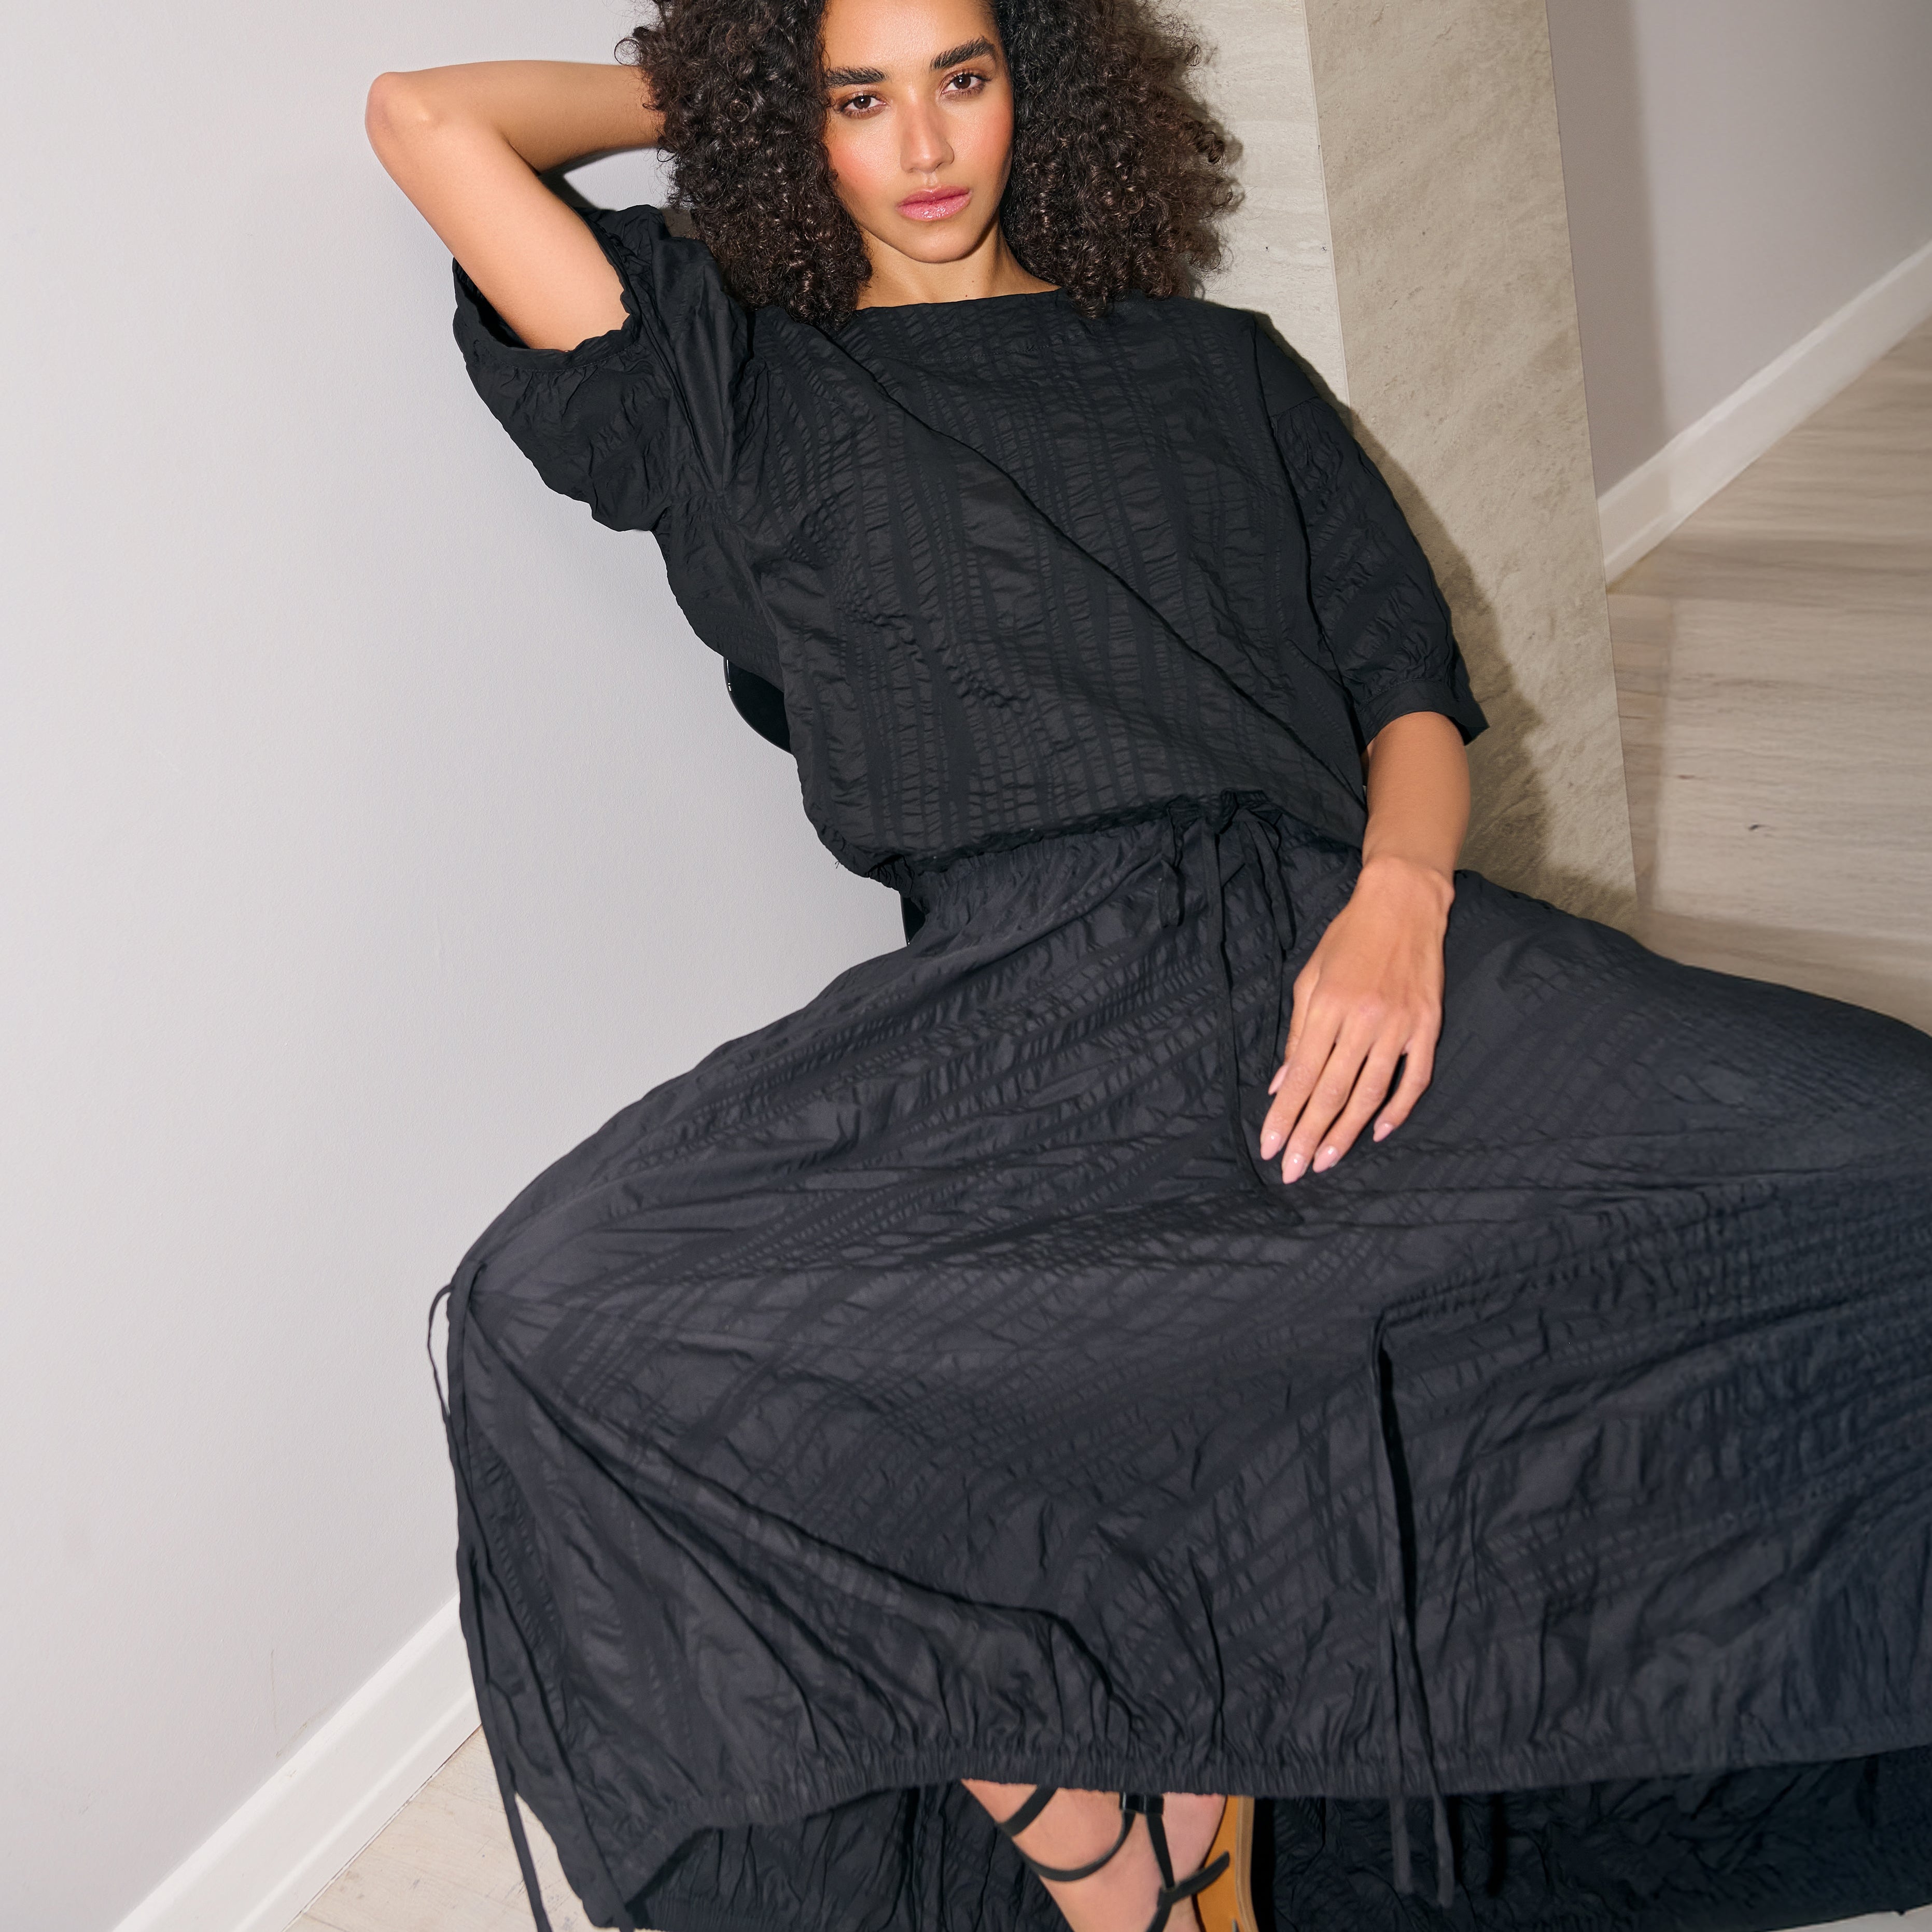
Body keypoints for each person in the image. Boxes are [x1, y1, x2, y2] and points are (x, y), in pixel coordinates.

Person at [367, 4, 1932, 1930]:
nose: (924, 141)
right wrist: (743, 75)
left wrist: (1395, 905)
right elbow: (430, 120)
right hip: (1007, 1003)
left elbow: (1406, 691)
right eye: (856, 98)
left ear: (1043, 80)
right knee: (561, 1309)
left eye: (965, 71)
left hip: (1324, 930)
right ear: (793, 121)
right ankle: (1133, 1850)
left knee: (1884, 1151)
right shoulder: (731, 377)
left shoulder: (1220, 370)